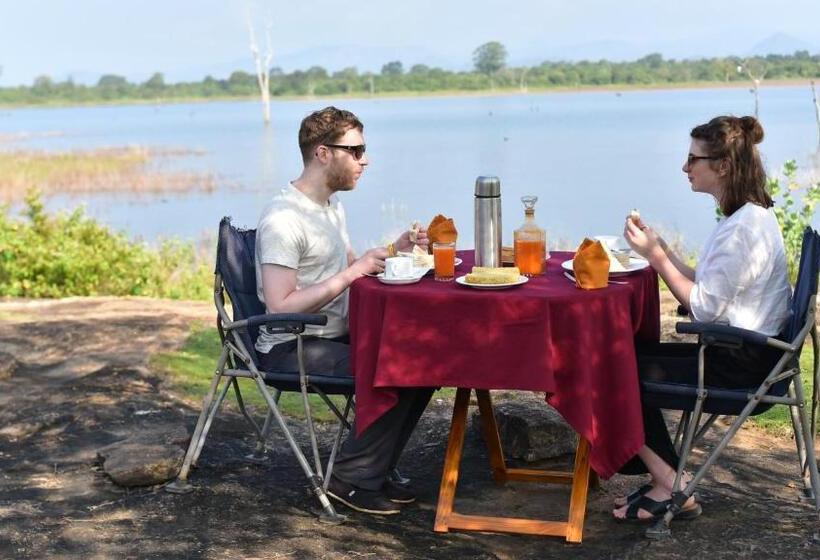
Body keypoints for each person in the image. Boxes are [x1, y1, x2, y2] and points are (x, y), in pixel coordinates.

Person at [254, 106, 434, 516]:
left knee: (425, 362)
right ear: (322, 153)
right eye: (355, 150)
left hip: (333, 334)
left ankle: (375, 468)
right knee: (398, 370)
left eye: (363, 150)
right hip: (292, 344)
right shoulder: (284, 219)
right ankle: (350, 480)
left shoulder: (330, 207)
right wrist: (354, 271)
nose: (364, 159)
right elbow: (279, 306)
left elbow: (349, 267)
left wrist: (397, 248)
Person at [614, 115, 791, 521]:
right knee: (626, 356)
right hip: (753, 354)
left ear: (723, 166)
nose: (685, 166)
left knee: (610, 370)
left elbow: (704, 307)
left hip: (742, 365)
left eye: (693, 159)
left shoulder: (742, 229)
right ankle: (665, 477)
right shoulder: (747, 217)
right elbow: (706, 281)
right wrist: (660, 248)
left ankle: (671, 481)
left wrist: (656, 258)